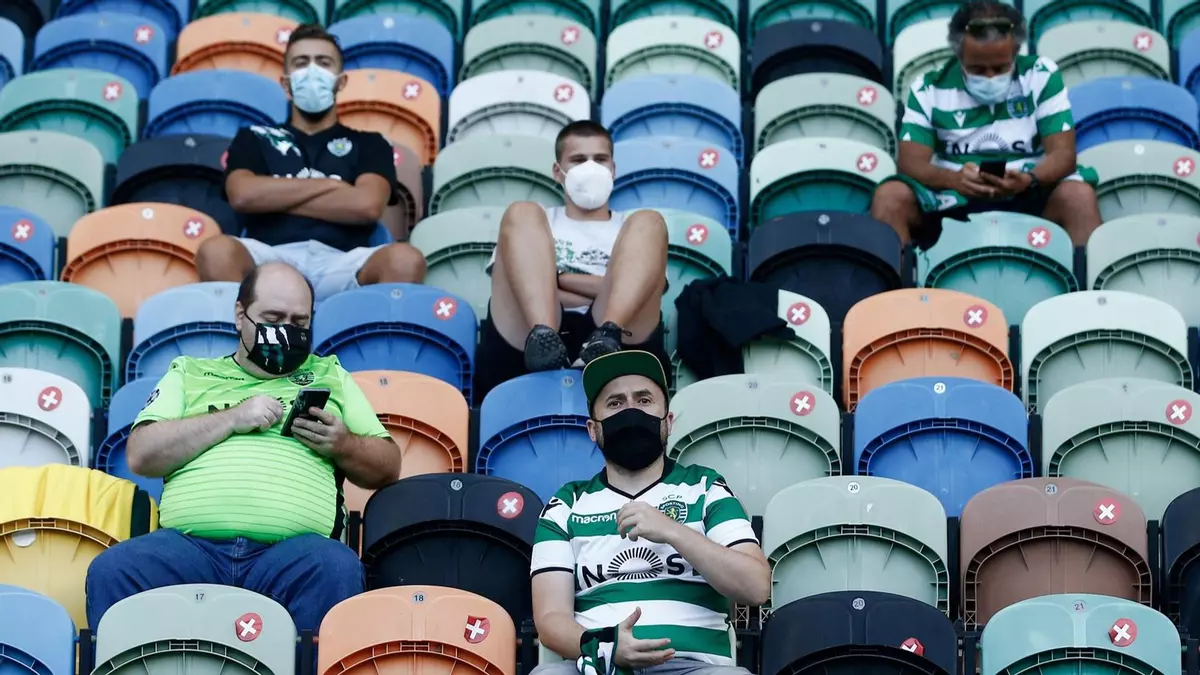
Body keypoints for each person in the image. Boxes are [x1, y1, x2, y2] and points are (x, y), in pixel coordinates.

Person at [85, 262, 401, 632]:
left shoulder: (330, 375)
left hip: (295, 556)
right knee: (114, 569)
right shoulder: (189, 373)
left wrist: (343, 443)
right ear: (240, 315)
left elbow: (388, 465)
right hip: (190, 550)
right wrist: (232, 418)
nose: (286, 331)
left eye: (299, 322)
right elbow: (141, 454)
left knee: (337, 566)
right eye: (273, 318)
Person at [530, 350, 771, 675]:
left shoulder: (706, 487)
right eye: (615, 403)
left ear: (668, 422)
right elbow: (550, 619)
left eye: (644, 400)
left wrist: (672, 530)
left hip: (696, 668)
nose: (630, 410)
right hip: (599, 666)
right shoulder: (566, 504)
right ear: (592, 429)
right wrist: (605, 647)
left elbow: (756, 587)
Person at [196, 24, 426, 301]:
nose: (312, 71)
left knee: (405, 259)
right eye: (301, 63)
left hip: (344, 261)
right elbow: (243, 195)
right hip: (269, 255)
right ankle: (249, 332)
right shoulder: (254, 138)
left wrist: (274, 195)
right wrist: (332, 186)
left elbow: (367, 205)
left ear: (341, 82)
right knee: (216, 251)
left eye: (324, 63)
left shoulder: (371, 143)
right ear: (286, 83)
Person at [869, 0, 1102, 249]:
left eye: (1000, 68)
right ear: (959, 55)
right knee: (890, 197)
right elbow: (909, 163)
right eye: (978, 69)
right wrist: (953, 179)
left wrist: (1029, 179)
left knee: (1078, 196)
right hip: (952, 199)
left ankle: (1085, 275)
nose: (990, 77)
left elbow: (1064, 155)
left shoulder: (1041, 76)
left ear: (1015, 52)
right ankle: (899, 275)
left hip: (1029, 193)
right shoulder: (928, 89)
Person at [474, 121, 670, 403]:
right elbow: (517, 291)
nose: (590, 168)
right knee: (521, 211)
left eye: (600, 160)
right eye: (578, 160)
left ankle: (605, 338)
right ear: (558, 171)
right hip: (531, 331)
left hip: (615, 332)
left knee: (650, 220)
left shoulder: (634, 229)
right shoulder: (532, 224)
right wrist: (604, 284)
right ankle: (544, 341)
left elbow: (644, 293)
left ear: (613, 169)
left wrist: (557, 279)